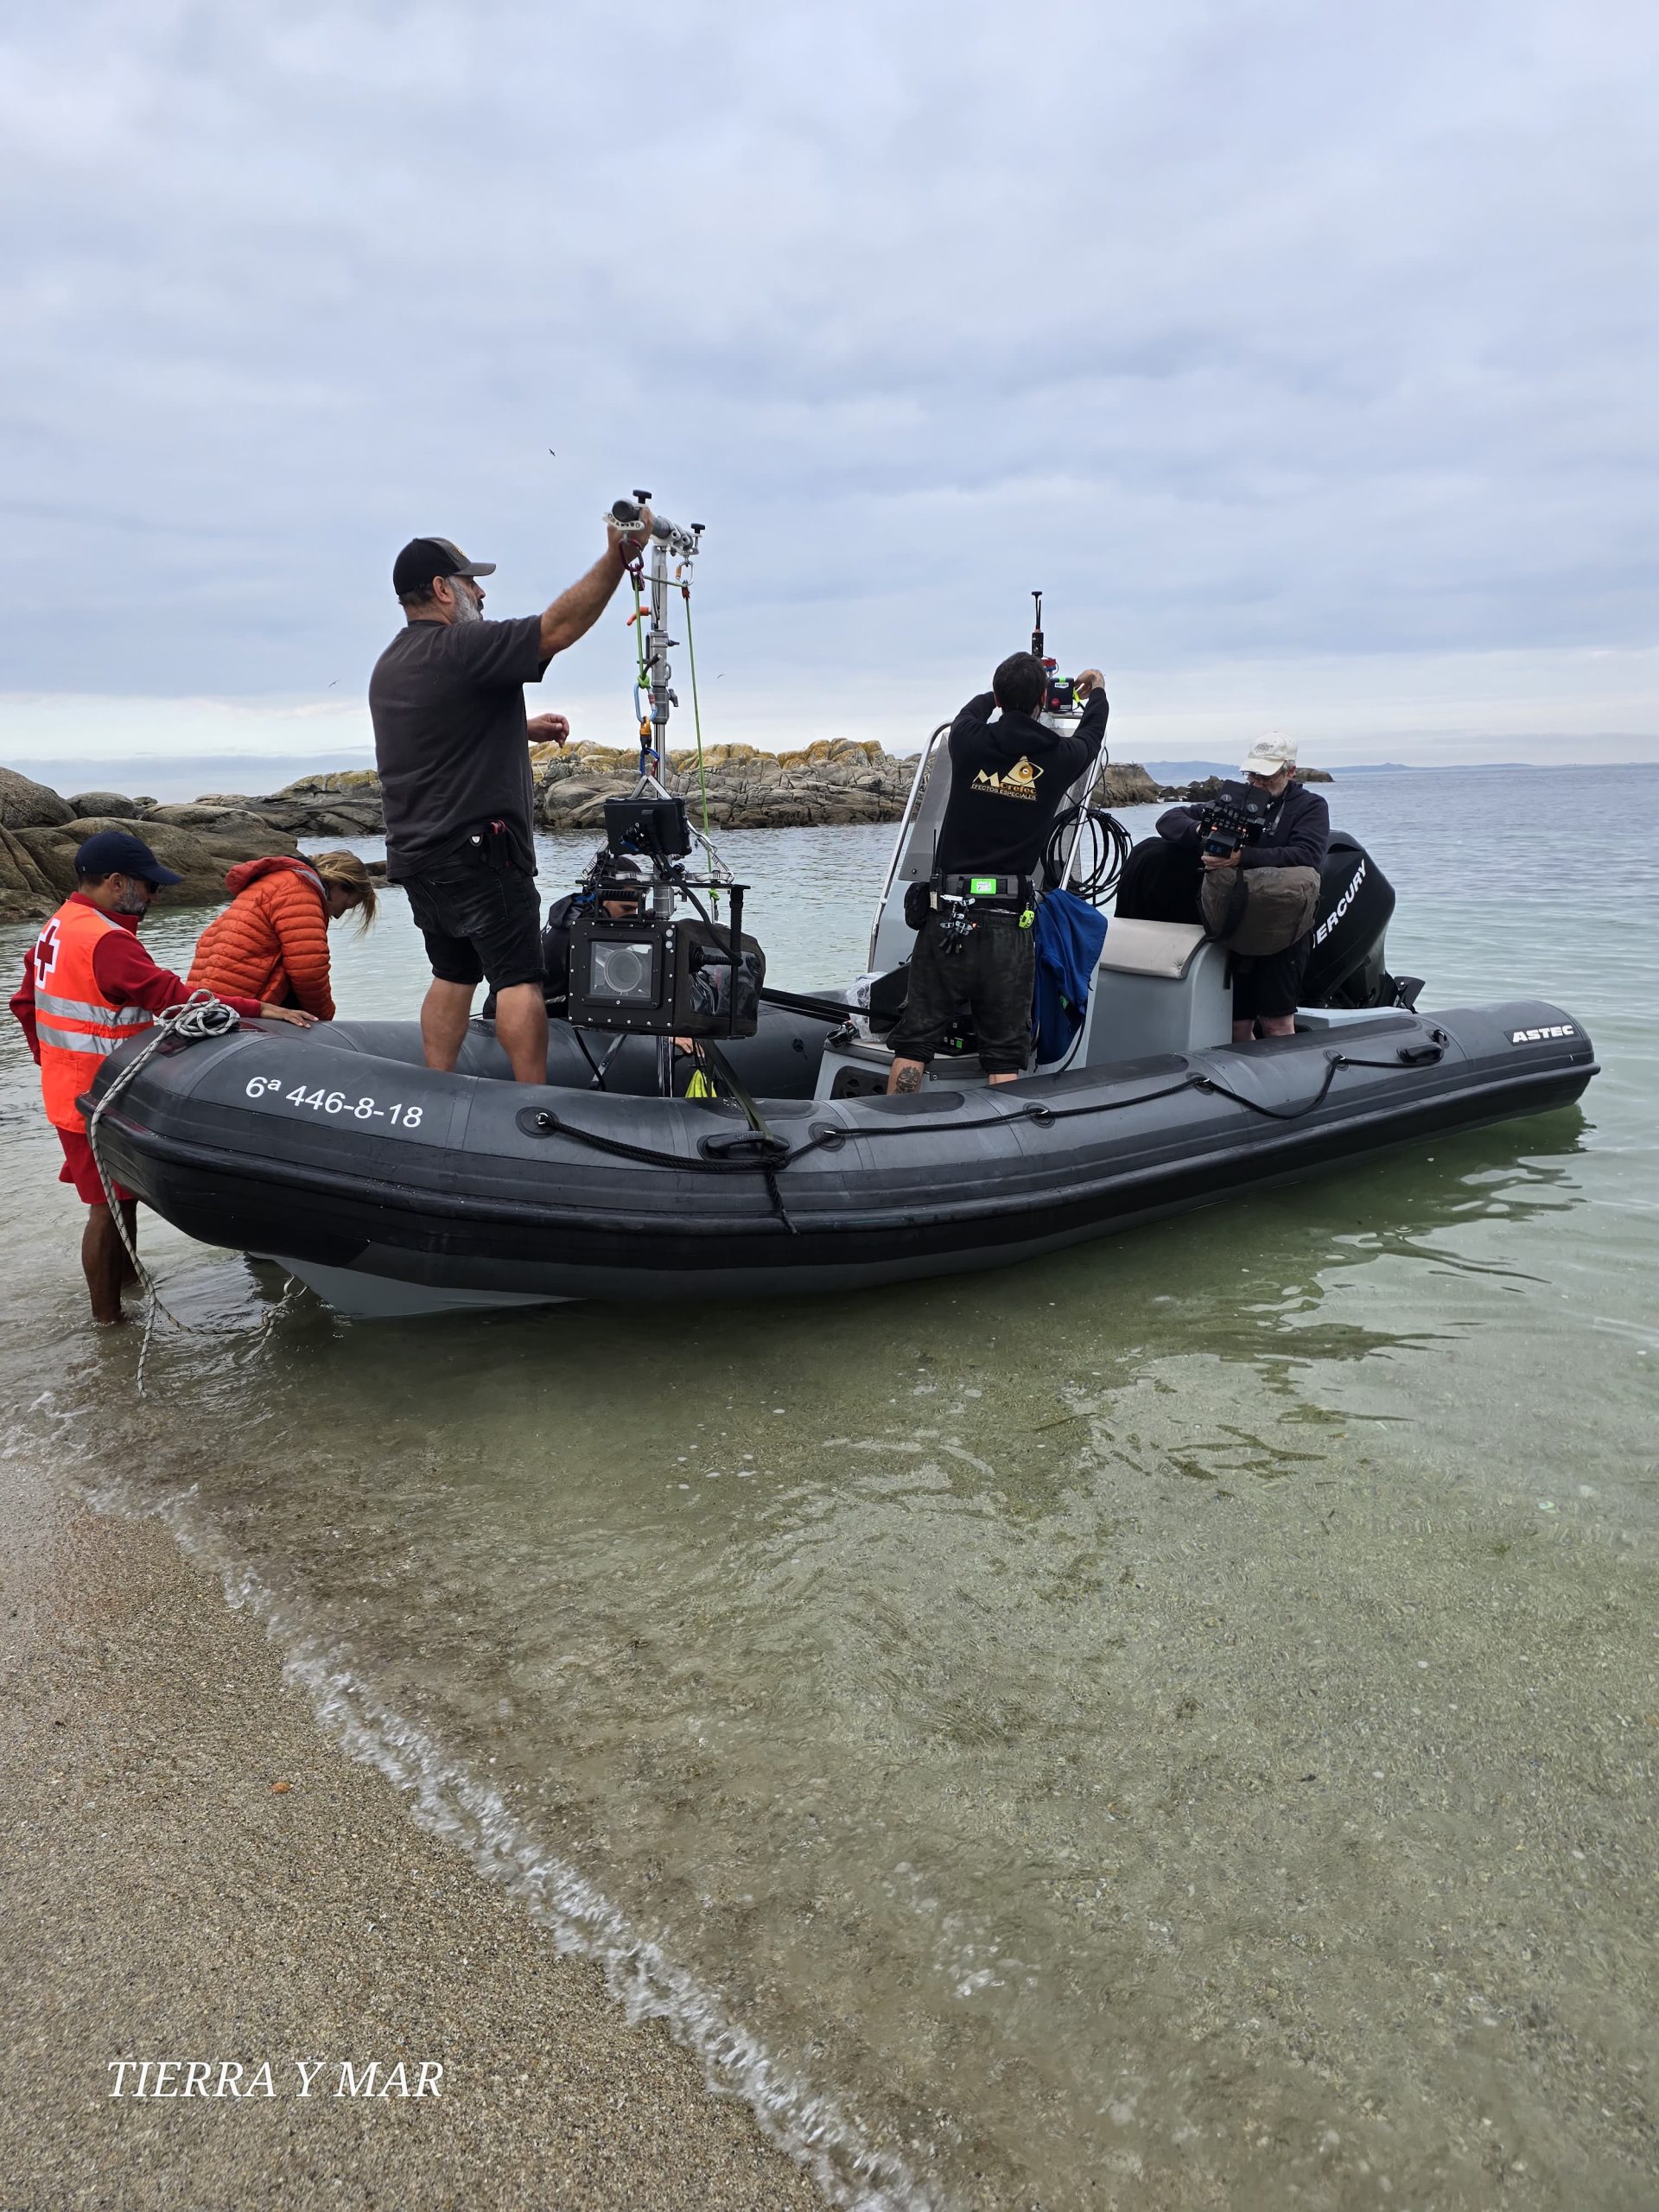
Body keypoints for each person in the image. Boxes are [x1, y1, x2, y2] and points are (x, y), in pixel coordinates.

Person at [369, 514, 652, 1086]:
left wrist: (519, 728)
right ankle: (533, 1106)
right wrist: (617, 559)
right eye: (471, 582)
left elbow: (441, 728)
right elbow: (557, 627)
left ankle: (438, 1091)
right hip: (483, 856)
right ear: (443, 590)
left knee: (452, 974)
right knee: (518, 980)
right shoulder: (461, 646)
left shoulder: (393, 664)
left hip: (420, 859)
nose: (481, 592)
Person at [9, 831, 315, 1325]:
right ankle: (107, 1324)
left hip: (72, 1090)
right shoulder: (105, 940)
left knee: (116, 1193)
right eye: (148, 886)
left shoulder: (59, 925)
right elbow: (172, 996)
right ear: (115, 882)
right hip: (99, 1095)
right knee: (104, 1209)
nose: (153, 896)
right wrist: (260, 1008)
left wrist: (50, 1064)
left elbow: (24, 1004)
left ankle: (128, 1284)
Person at [886, 655, 1108, 1092]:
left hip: (947, 916)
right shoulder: (1060, 757)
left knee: (913, 1045)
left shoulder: (967, 741)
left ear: (999, 696)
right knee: (1005, 1053)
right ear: (1042, 700)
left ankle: (886, 1132)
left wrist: (1001, 691)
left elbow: (968, 711)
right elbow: (1092, 732)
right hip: (1008, 924)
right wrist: (1095, 689)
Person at [1154, 732, 1331, 1041]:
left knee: (1277, 1024)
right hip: (1234, 923)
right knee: (1235, 1026)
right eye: (1253, 774)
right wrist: (1202, 832)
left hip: (1282, 927)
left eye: (1267, 775)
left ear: (1290, 771)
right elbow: (1168, 819)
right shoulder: (1236, 799)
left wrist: (1241, 857)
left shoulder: (1310, 806)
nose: (1258, 782)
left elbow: (1308, 855)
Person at [187, 850, 377, 1019]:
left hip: (204, 1003)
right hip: (235, 1010)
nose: (337, 914)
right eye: (345, 906)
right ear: (341, 884)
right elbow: (308, 969)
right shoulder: (301, 893)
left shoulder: (272, 883)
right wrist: (324, 1020)